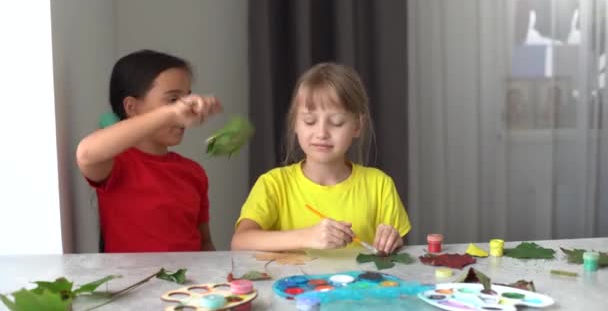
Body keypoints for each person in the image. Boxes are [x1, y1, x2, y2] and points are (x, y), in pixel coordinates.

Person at [231, 63, 410, 254]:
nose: (321, 133)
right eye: (310, 121)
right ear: (295, 124)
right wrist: (306, 237)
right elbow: (240, 242)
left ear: (357, 126)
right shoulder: (273, 184)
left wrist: (392, 241)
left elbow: (398, 254)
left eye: (336, 122)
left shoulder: (379, 185)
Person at [76, 49, 222, 253]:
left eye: (186, 99)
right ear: (131, 107)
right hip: (136, 284)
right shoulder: (116, 163)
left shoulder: (194, 172)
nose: (186, 110)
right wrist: (171, 113)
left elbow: (204, 242)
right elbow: (86, 154)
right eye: (172, 100)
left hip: (190, 283)